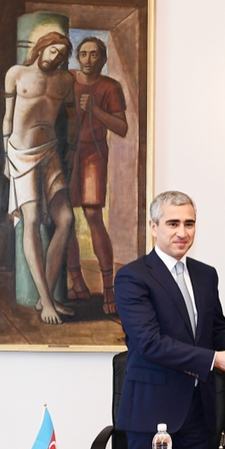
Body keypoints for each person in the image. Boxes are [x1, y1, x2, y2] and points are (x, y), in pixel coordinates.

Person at [114, 191, 225, 449]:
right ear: (153, 227)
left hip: (200, 411)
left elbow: (216, 328)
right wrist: (215, 359)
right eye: (173, 223)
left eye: (189, 224)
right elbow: (150, 343)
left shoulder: (206, 274)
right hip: (152, 412)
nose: (182, 232)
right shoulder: (132, 276)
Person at [2, 31, 77, 325]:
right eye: (53, 51)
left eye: (61, 54)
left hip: (50, 151)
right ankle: (46, 300)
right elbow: (8, 117)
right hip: (21, 153)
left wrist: (72, 148)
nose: (56, 57)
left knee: (66, 219)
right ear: (42, 48)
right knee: (31, 220)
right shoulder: (16, 74)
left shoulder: (65, 80)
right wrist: (5, 156)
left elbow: (72, 117)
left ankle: (46, 297)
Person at [65, 36, 128, 315]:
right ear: (77, 57)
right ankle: (77, 282)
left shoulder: (110, 87)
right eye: (83, 54)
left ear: (103, 59)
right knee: (65, 217)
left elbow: (122, 128)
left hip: (93, 153)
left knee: (92, 215)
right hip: (67, 153)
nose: (88, 59)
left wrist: (96, 110)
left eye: (94, 54)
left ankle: (108, 289)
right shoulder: (67, 79)